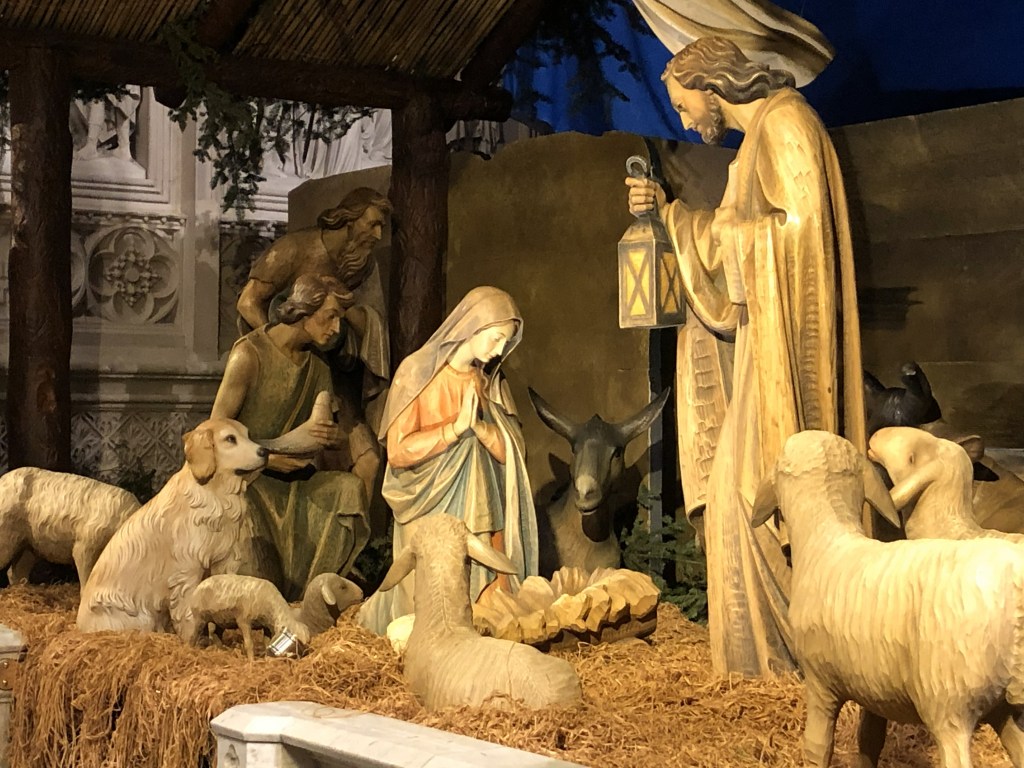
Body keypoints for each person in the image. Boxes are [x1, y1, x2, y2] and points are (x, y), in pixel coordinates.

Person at [626, 36, 865, 677]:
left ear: (713, 87)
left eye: (683, 106)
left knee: (752, 504)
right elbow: (740, 244)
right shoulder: (757, 139)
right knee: (734, 507)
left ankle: (791, 662)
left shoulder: (786, 125)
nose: (684, 121)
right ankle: (757, 667)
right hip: (761, 346)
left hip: (786, 357)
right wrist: (672, 216)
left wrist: (702, 229)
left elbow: (798, 236)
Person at [357, 286, 538, 635]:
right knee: (466, 450)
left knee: (474, 452)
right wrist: (454, 431)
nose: (499, 350)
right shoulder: (417, 373)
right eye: (497, 338)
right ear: (474, 325)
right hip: (428, 499)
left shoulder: (490, 384)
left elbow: (512, 454)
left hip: (484, 512)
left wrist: (479, 429)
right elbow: (398, 451)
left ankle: (485, 606)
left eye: (506, 343)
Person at [212, 273, 370, 601]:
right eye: (330, 316)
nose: (336, 329)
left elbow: (318, 433)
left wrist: (332, 438)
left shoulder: (318, 368)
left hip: (295, 482)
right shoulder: (250, 355)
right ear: (304, 310)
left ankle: (312, 597)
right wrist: (268, 459)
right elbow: (215, 432)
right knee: (259, 570)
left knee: (348, 490)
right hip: (249, 481)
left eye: (339, 320)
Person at [236, 187, 393, 501]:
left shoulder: (363, 264)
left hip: (333, 376)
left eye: (381, 227)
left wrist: (345, 315)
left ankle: (357, 533)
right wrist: (276, 347)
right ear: (349, 219)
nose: (377, 235)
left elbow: (368, 319)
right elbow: (247, 302)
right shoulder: (294, 248)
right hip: (282, 375)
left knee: (367, 461)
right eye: (372, 224)